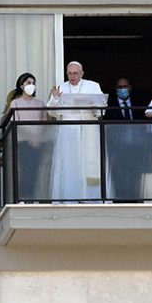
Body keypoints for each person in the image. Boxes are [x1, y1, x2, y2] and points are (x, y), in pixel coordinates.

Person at [47, 61, 104, 201]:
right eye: (70, 73)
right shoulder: (61, 87)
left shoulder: (93, 86)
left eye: (75, 73)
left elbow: (102, 108)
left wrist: (93, 107)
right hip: (69, 130)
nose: (72, 76)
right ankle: (69, 196)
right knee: (70, 165)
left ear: (82, 73)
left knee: (88, 164)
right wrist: (55, 99)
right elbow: (51, 112)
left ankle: (91, 198)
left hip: (89, 129)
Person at [1, 72, 49, 201]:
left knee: (35, 170)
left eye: (33, 83)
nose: (31, 85)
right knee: (23, 170)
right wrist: (31, 137)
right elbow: (16, 122)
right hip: (22, 142)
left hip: (38, 143)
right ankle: (23, 197)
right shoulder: (16, 103)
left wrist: (38, 138)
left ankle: (33, 197)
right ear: (21, 85)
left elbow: (44, 123)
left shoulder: (40, 104)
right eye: (28, 83)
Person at [103, 77, 144, 200]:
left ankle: (135, 197)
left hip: (135, 147)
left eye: (125, 87)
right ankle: (119, 198)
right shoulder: (109, 106)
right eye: (120, 87)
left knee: (136, 174)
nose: (123, 90)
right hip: (117, 148)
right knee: (118, 175)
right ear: (116, 89)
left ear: (130, 88)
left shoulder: (138, 102)